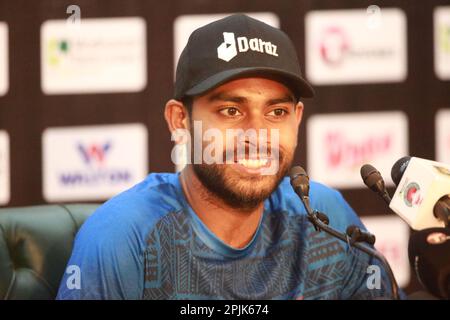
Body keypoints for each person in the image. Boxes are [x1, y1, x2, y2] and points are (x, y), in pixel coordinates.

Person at [57, 14, 397, 300]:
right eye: (231, 110)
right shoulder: (124, 237)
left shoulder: (324, 217)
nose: (256, 134)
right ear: (180, 120)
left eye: (276, 112)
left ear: (297, 119)